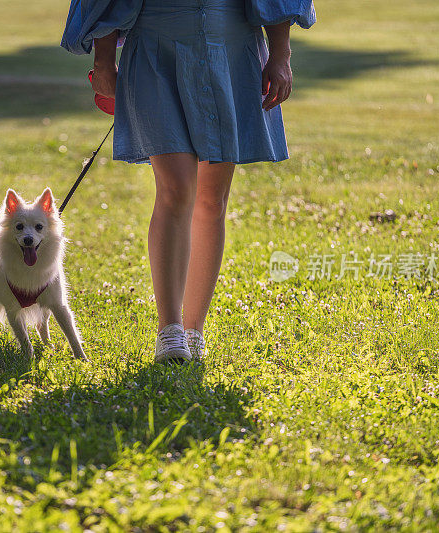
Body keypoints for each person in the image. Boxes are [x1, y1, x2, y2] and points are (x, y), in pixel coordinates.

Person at [62, 0, 315, 363]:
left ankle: (195, 330)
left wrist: (281, 53)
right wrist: (103, 60)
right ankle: (170, 330)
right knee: (176, 189)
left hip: (229, 49)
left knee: (212, 200)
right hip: (154, 49)